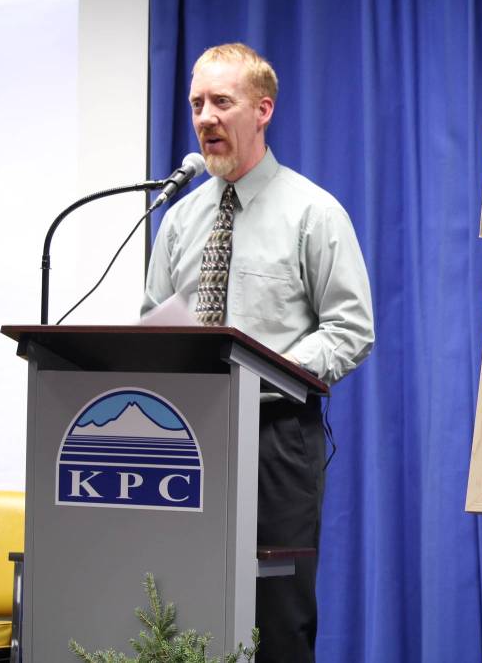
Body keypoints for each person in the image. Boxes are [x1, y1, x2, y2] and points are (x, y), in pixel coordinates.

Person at [142, 43, 374, 663]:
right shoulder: (179, 220)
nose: (205, 118)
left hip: (275, 436)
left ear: (263, 109)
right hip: (185, 438)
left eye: (222, 102)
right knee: (178, 605)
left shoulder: (312, 212)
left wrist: (265, 372)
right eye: (197, 104)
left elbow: (351, 328)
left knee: (277, 618)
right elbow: (155, 320)